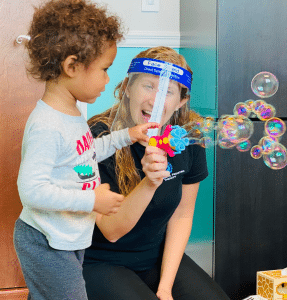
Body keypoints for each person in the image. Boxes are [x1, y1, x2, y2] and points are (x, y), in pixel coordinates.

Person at [13, 1, 158, 299]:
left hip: (67, 236)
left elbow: (86, 151)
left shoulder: (70, 112)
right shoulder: (47, 124)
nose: (108, 79)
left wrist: (126, 136)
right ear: (71, 66)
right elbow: (31, 190)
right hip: (46, 240)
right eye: (104, 69)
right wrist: (91, 199)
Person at [83, 46, 230, 300]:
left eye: (168, 91)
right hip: (100, 261)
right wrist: (150, 182)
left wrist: (165, 287)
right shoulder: (98, 139)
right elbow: (112, 231)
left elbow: (182, 216)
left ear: (181, 101)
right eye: (148, 86)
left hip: (155, 258)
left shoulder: (188, 137)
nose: (155, 100)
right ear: (128, 87)